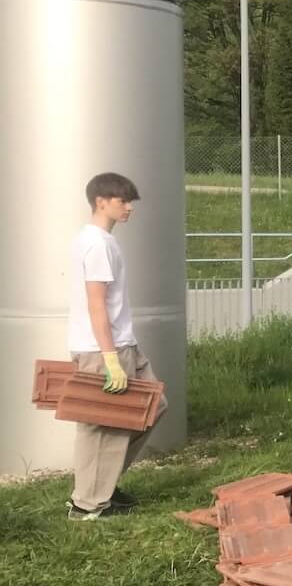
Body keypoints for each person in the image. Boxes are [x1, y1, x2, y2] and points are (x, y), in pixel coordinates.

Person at [65, 172, 166, 520]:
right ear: (101, 202)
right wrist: (110, 359)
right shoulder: (96, 244)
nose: (129, 208)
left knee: (153, 406)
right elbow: (97, 304)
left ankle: (100, 484)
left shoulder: (102, 241)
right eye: (123, 201)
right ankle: (86, 505)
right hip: (103, 349)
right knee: (101, 426)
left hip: (124, 343)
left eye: (130, 202)